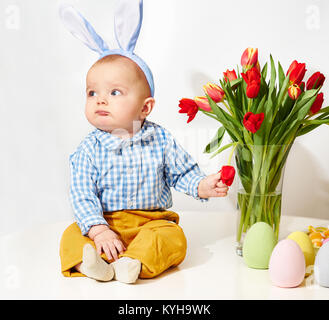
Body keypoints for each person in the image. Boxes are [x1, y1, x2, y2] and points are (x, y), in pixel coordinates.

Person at [59, 2, 230, 284]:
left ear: (145, 107)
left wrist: (202, 185)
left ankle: (133, 262)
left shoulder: (160, 139)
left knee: (173, 238)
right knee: (70, 235)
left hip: (152, 222)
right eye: (92, 92)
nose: (100, 99)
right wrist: (98, 229)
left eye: (114, 92)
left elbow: (182, 172)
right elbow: (81, 193)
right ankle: (92, 264)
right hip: (106, 221)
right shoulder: (88, 149)